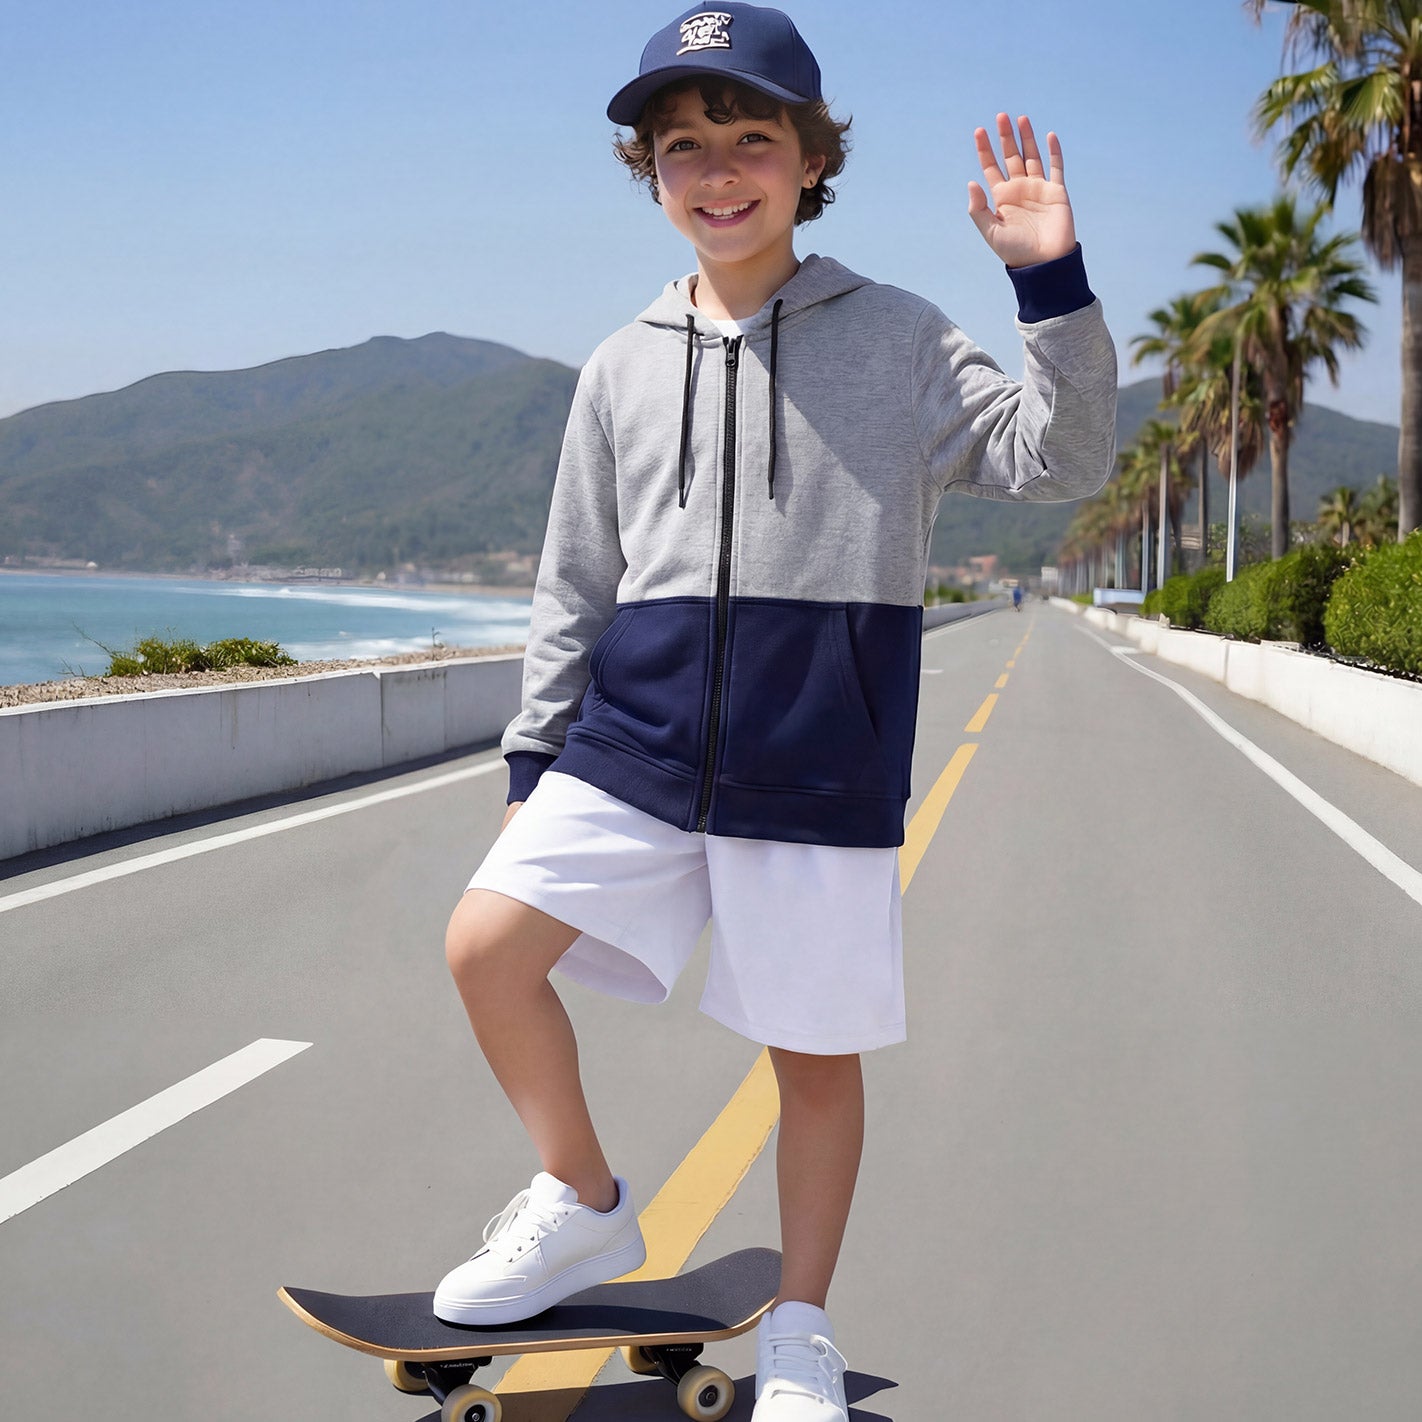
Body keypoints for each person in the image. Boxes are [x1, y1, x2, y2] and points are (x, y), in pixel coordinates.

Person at [438, 4, 1117, 1416]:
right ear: (651, 173)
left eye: (753, 138)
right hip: (632, 741)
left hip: (820, 749)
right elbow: (577, 575)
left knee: (809, 1058)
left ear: (812, 161)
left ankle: (798, 1322)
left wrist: (1047, 277)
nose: (718, 168)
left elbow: (1057, 459)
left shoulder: (900, 336)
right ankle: (580, 1192)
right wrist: (531, 754)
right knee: (486, 945)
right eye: (683, 145)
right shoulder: (617, 361)